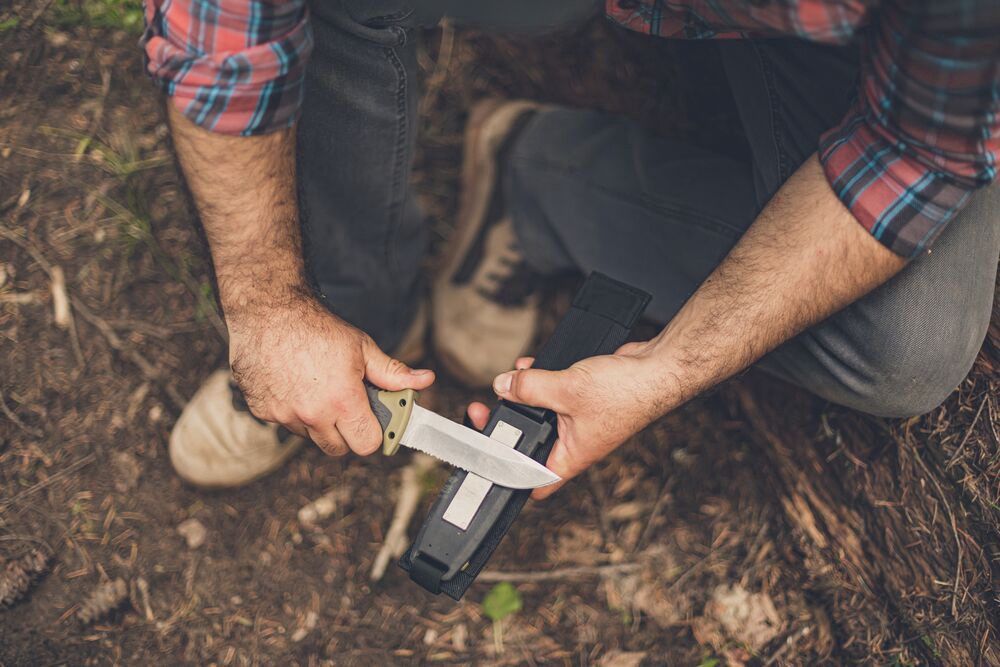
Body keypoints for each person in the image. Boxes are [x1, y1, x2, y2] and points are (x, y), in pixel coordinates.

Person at [141, 1, 1000, 497]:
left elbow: (916, 151)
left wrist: (667, 367)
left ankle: (543, 180)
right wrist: (266, 302)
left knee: (903, 343)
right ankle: (341, 313)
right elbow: (222, 30)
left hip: (823, 31)